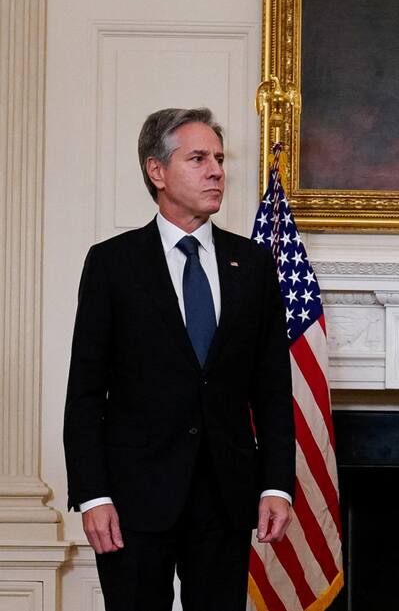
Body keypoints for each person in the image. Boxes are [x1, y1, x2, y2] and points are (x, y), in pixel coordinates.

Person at [63, 108, 296, 610]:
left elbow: (273, 390)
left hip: (226, 498)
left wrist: (277, 485)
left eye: (219, 159)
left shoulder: (253, 265)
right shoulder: (112, 263)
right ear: (157, 171)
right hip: (133, 499)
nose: (216, 171)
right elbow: (85, 393)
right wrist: (93, 495)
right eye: (198, 159)